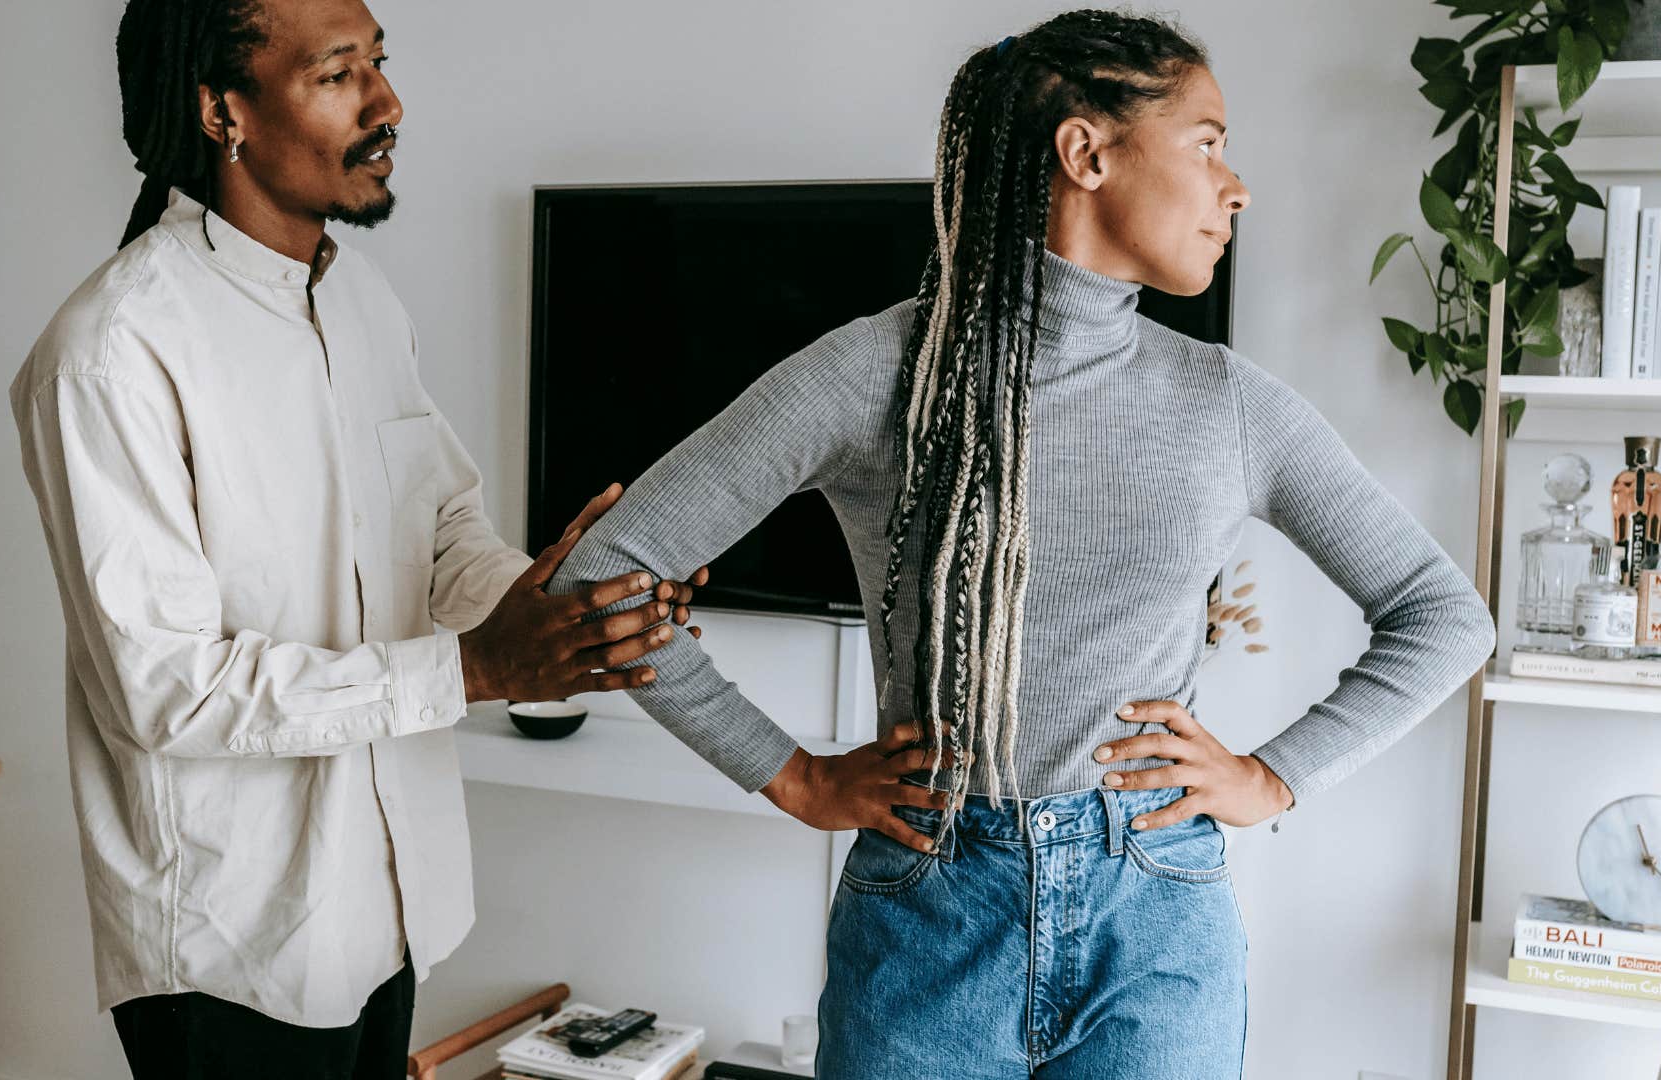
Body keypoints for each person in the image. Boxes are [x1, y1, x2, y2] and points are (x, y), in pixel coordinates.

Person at [547, 10, 1497, 1078]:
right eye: (1208, 141)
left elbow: (1446, 616)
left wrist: (1273, 778)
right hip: (929, 914)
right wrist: (796, 776)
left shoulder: (1229, 404)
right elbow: (601, 577)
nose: (1235, 186)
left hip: (1156, 930)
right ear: (1087, 152)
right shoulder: (870, 374)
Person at [7, 1, 703, 1075]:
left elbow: (442, 541)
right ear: (219, 110)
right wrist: (474, 670)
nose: (389, 104)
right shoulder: (109, 354)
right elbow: (170, 691)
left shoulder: (366, 304)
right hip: (233, 947)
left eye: (380, 64)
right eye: (340, 75)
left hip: (390, 905)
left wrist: (566, 606)